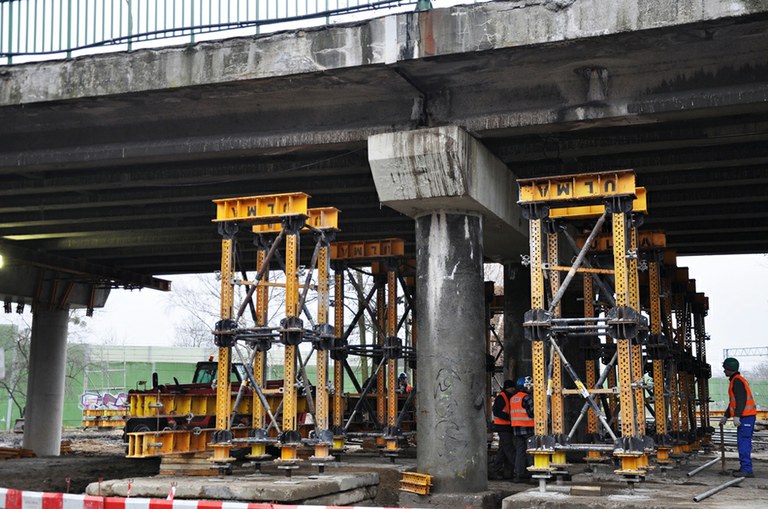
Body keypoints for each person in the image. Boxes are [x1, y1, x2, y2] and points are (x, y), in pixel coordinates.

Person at [719, 357, 756, 478]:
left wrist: (737, 416)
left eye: (725, 368)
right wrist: (726, 415)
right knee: (742, 443)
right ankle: (744, 467)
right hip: (745, 416)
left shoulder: (737, 381)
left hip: (746, 417)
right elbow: (734, 402)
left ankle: (747, 469)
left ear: (730, 369)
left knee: (744, 443)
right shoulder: (736, 380)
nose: (724, 371)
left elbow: (741, 400)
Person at [509, 376, 534, 483]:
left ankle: (518, 475)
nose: (531, 388)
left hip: (517, 429)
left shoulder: (513, 398)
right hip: (528, 429)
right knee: (531, 452)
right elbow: (533, 413)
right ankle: (533, 475)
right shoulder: (527, 398)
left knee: (520, 453)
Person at [489, 379, 516, 480]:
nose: (514, 389)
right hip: (503, 427)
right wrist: (508, 417)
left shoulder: (507, 396)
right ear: (509, 388)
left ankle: (495, 471)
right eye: (512, 387)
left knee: (502, 450)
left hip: (506, 427)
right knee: (509, 449)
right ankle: (519, 470)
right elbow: (496, 412)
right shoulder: (502, 397)